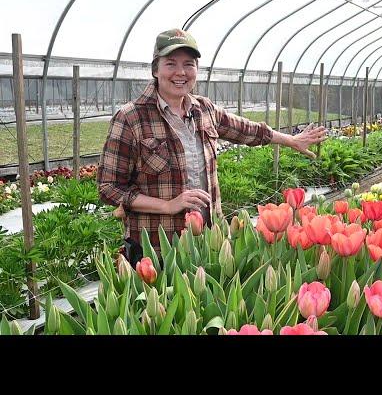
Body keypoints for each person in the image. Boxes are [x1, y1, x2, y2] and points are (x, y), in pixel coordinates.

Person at [97, 28, 327, 263]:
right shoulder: (131, 117)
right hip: (157, 248)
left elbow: (248, 130)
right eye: (170, 64)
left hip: (207, 243)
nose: (180, 72)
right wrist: (168, 205)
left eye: (189, 64)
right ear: (155, 69)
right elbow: (109, 187)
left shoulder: (203, 109)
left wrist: (291, 140)